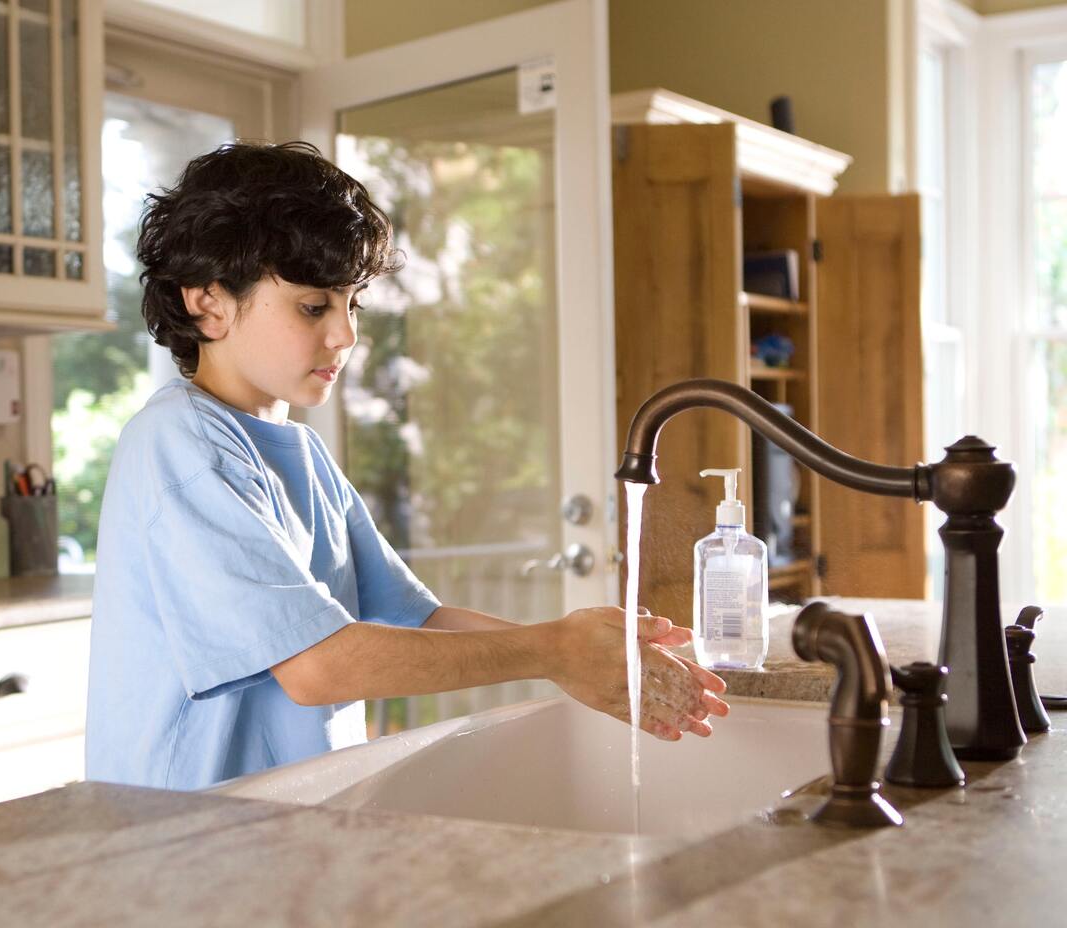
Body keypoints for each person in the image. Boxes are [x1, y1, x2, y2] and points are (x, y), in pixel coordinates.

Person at [84, 141, 729, 791]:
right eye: (314, 307)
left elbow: (412, 618)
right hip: (188, 842)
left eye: (352, 304)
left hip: (284, 820)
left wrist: (579, 656)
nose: (345, 335)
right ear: (207, 302)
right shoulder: (181, 448)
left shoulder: (297, 452)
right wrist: (552, 648)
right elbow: (316, 668)